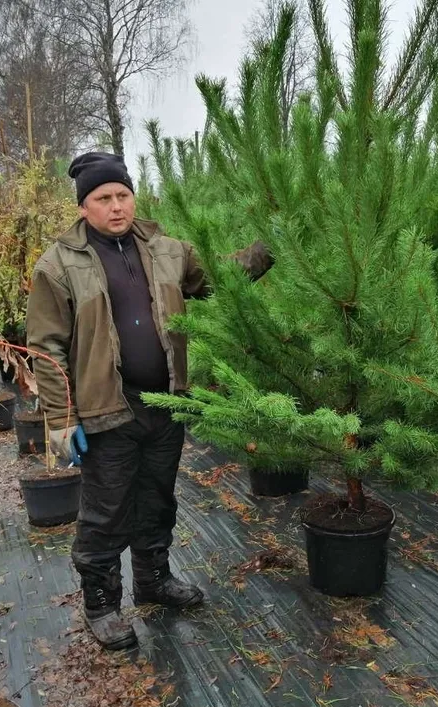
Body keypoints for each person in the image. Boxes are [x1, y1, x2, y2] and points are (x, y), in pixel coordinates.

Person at [26, 152, 271, 650]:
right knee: (106, 510)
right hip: (106, 409)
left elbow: (218, 283)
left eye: (123, 195)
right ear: (83, 207)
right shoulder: (57, 265)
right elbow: (45, 348)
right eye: (103, 198)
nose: (116, 207)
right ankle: (101, 604)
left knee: (157, 498)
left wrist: (271, 247)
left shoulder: (167, 250)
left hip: (165, 402)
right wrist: (58, 419)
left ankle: (154, 581)